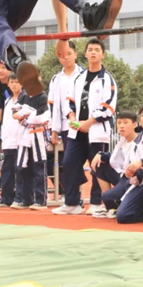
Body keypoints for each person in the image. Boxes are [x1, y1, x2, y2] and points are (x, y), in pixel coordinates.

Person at [54, 38, 117, 215]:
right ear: (85, 53)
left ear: (103, 54)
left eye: (97, 49)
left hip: (96, 130)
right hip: (77, 130)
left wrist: (89, 122)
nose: (93, 52)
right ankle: (72, 202)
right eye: (90, 49)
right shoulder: (79, 77)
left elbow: (108, 106)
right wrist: (72, 117)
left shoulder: (107, 79)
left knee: (97, 167)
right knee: (69, 163)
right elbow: (70, 100)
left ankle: (97, 203)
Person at [48, 39, 84, 198]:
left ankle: (96, 199)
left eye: (69, 54)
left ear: (76, 54)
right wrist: (54, 129)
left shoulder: (84, 75)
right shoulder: (56, 79)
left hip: (83, 125)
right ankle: (73, 197)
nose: (66, 58)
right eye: (62, 55)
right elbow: (54, 106)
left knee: (81, 161)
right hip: (65, 126)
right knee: (69, 161)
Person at [90, 110, 137, 219]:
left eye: (125, 123)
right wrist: (100, 154)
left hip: (134, 180)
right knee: (99, 165)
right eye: (119, 123)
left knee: (110, 197)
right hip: (122, 176)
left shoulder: (139, 141)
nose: (121, 126)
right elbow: (114, 157)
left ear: (134, 124)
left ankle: (112, 203)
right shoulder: (122, 141)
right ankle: (109, 206)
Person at [15, 85, 50, 210]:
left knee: (39, 168)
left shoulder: (43, 97)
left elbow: (40, 118)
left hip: (38, 136)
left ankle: (41, 200)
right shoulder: (23, 96)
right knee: (24, 168)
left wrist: (26, 115)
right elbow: (15, 113)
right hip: (24, 137)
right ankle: (26, 199)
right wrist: (25, 115)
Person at [0, 74, 25, 208]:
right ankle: (6, 197)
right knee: (7, 170)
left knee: (21, 171)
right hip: (8, 141)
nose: (14, 85)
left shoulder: (26, 99)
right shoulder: (7, 101)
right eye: (12, 82)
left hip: (21, 141)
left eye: (17, 82)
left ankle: (20, 197)